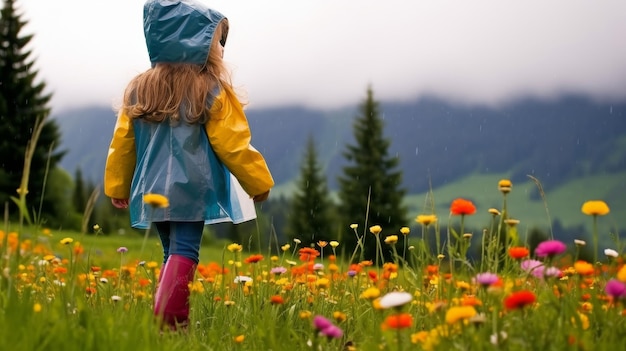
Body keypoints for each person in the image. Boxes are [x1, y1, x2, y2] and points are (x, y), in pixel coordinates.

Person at [104, 0, 274, 330]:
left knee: (172, 253)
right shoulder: (209, 88)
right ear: (198, 45)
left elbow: (123, 142)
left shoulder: (140, 87)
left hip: (153, 188)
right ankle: (170, 320)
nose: (221, 51)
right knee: (185, 252)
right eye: (217, 43)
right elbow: (234, 143)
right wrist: (258, 181)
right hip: (191, 189)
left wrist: (118, 184)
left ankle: (169, 322)